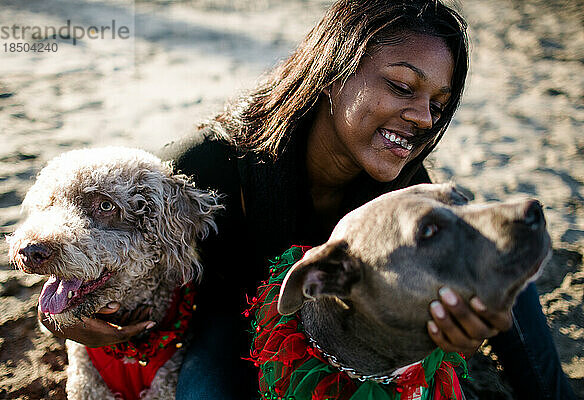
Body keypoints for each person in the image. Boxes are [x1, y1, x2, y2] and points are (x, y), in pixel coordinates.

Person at [40, 0, 575, 399]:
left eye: (438, 101)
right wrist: (56, 318)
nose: (424, 117)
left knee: (500, 260)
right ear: (335, 72)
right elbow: (98, 239)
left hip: (343, 336)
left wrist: (470, 329)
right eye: (402, 86)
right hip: (226, 323)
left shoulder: (402, 188)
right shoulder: (208, 163)